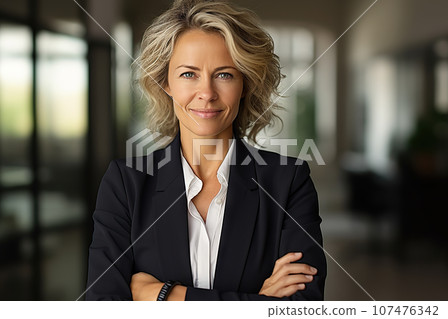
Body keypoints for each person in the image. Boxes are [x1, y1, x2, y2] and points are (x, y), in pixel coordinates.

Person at [86, 0, 326, 301]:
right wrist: (256, 299)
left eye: (224, 74)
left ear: (245, 83)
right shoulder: (126, 183)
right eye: (189, 74)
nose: (207, 93)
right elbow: (104, 306)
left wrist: (166, 296)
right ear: (165, 83)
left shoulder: (288, 181)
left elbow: (300, 308)